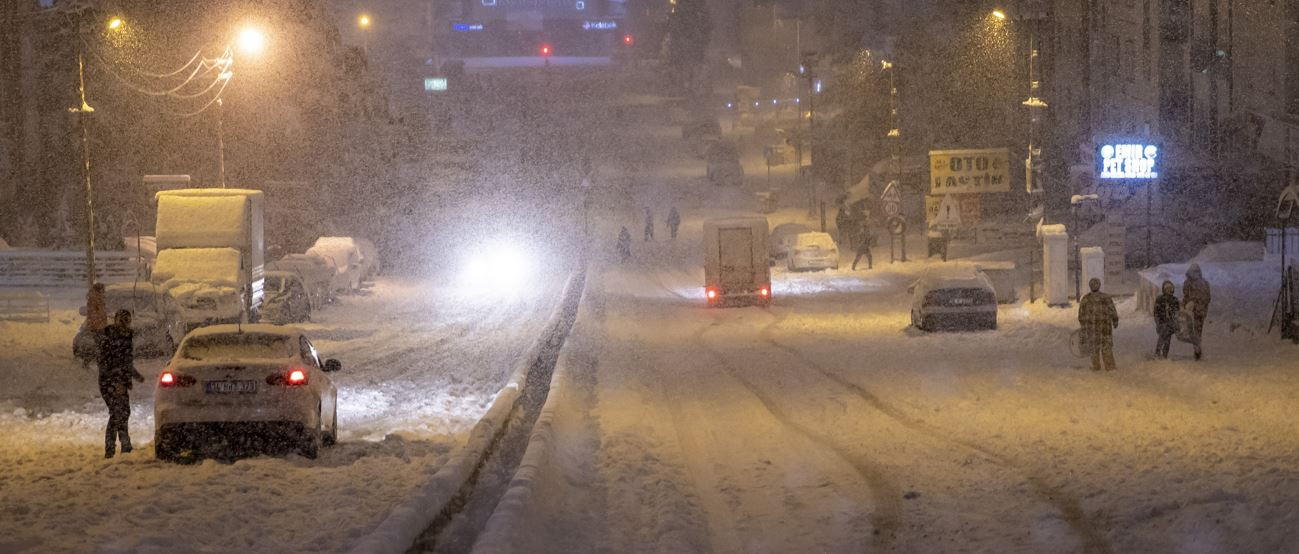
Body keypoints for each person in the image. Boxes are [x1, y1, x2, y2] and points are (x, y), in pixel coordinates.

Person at [97, 309, 144, 458]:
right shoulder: (109, 336)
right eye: (122, 320)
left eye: (127, 320)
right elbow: (105, 362)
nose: (125, 324)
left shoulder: (127, 336)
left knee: (123, 412)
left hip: (119, 382)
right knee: (118, 413)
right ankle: (112, 448)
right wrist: (116, 381)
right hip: (109, 382)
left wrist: (135, 376)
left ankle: (125, 445)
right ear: (116, 320)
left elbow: (126, 361)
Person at [1078, 278, 1119, 371]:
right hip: (1105, 329)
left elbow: (1081, 315)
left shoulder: (1085, 299)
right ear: (1099, 285)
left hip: (1092, 330)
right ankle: (1110, 368)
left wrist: (1084, 326)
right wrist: (1115, 321)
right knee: (1106, 349)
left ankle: (1095, 367)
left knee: (1094, 349)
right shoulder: (1106, 298)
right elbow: (1113, 311)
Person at [1182, 263, 1211, 360]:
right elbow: (1207, 298)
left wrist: (1191, 302)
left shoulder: (1189, 283)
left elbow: (1186, 297)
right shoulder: (1204, 283)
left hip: (1194, 311)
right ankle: (1197, 349)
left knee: (1195, 331)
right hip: (1197, 311)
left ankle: (1197, 350)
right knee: (1197, 331)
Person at [77, 283, 109, 369]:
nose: (104, 291)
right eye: (103, 290)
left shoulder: (98, 298)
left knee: (99, 346)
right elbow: (93, 314)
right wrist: (98, 321)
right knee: (100, 346)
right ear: (100, 290)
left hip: (99, 326)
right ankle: (97, 363)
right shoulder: (94, 299)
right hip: (97, 327)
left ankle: (89, 361)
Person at [1153, 280, 1180, 359]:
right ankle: (1158, 353)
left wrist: (1175, 321)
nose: (1169, 290)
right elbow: (1156, 312)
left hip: (1170, 323)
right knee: (1162, 337)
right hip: (1162, 322)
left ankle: (1164, 355)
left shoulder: (1174, 300)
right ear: (1164, 289)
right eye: (1167, 288)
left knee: (1167, 340)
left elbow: (1177, 312)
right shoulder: (1160, 299)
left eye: (1170, 288)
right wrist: (1158, 321)